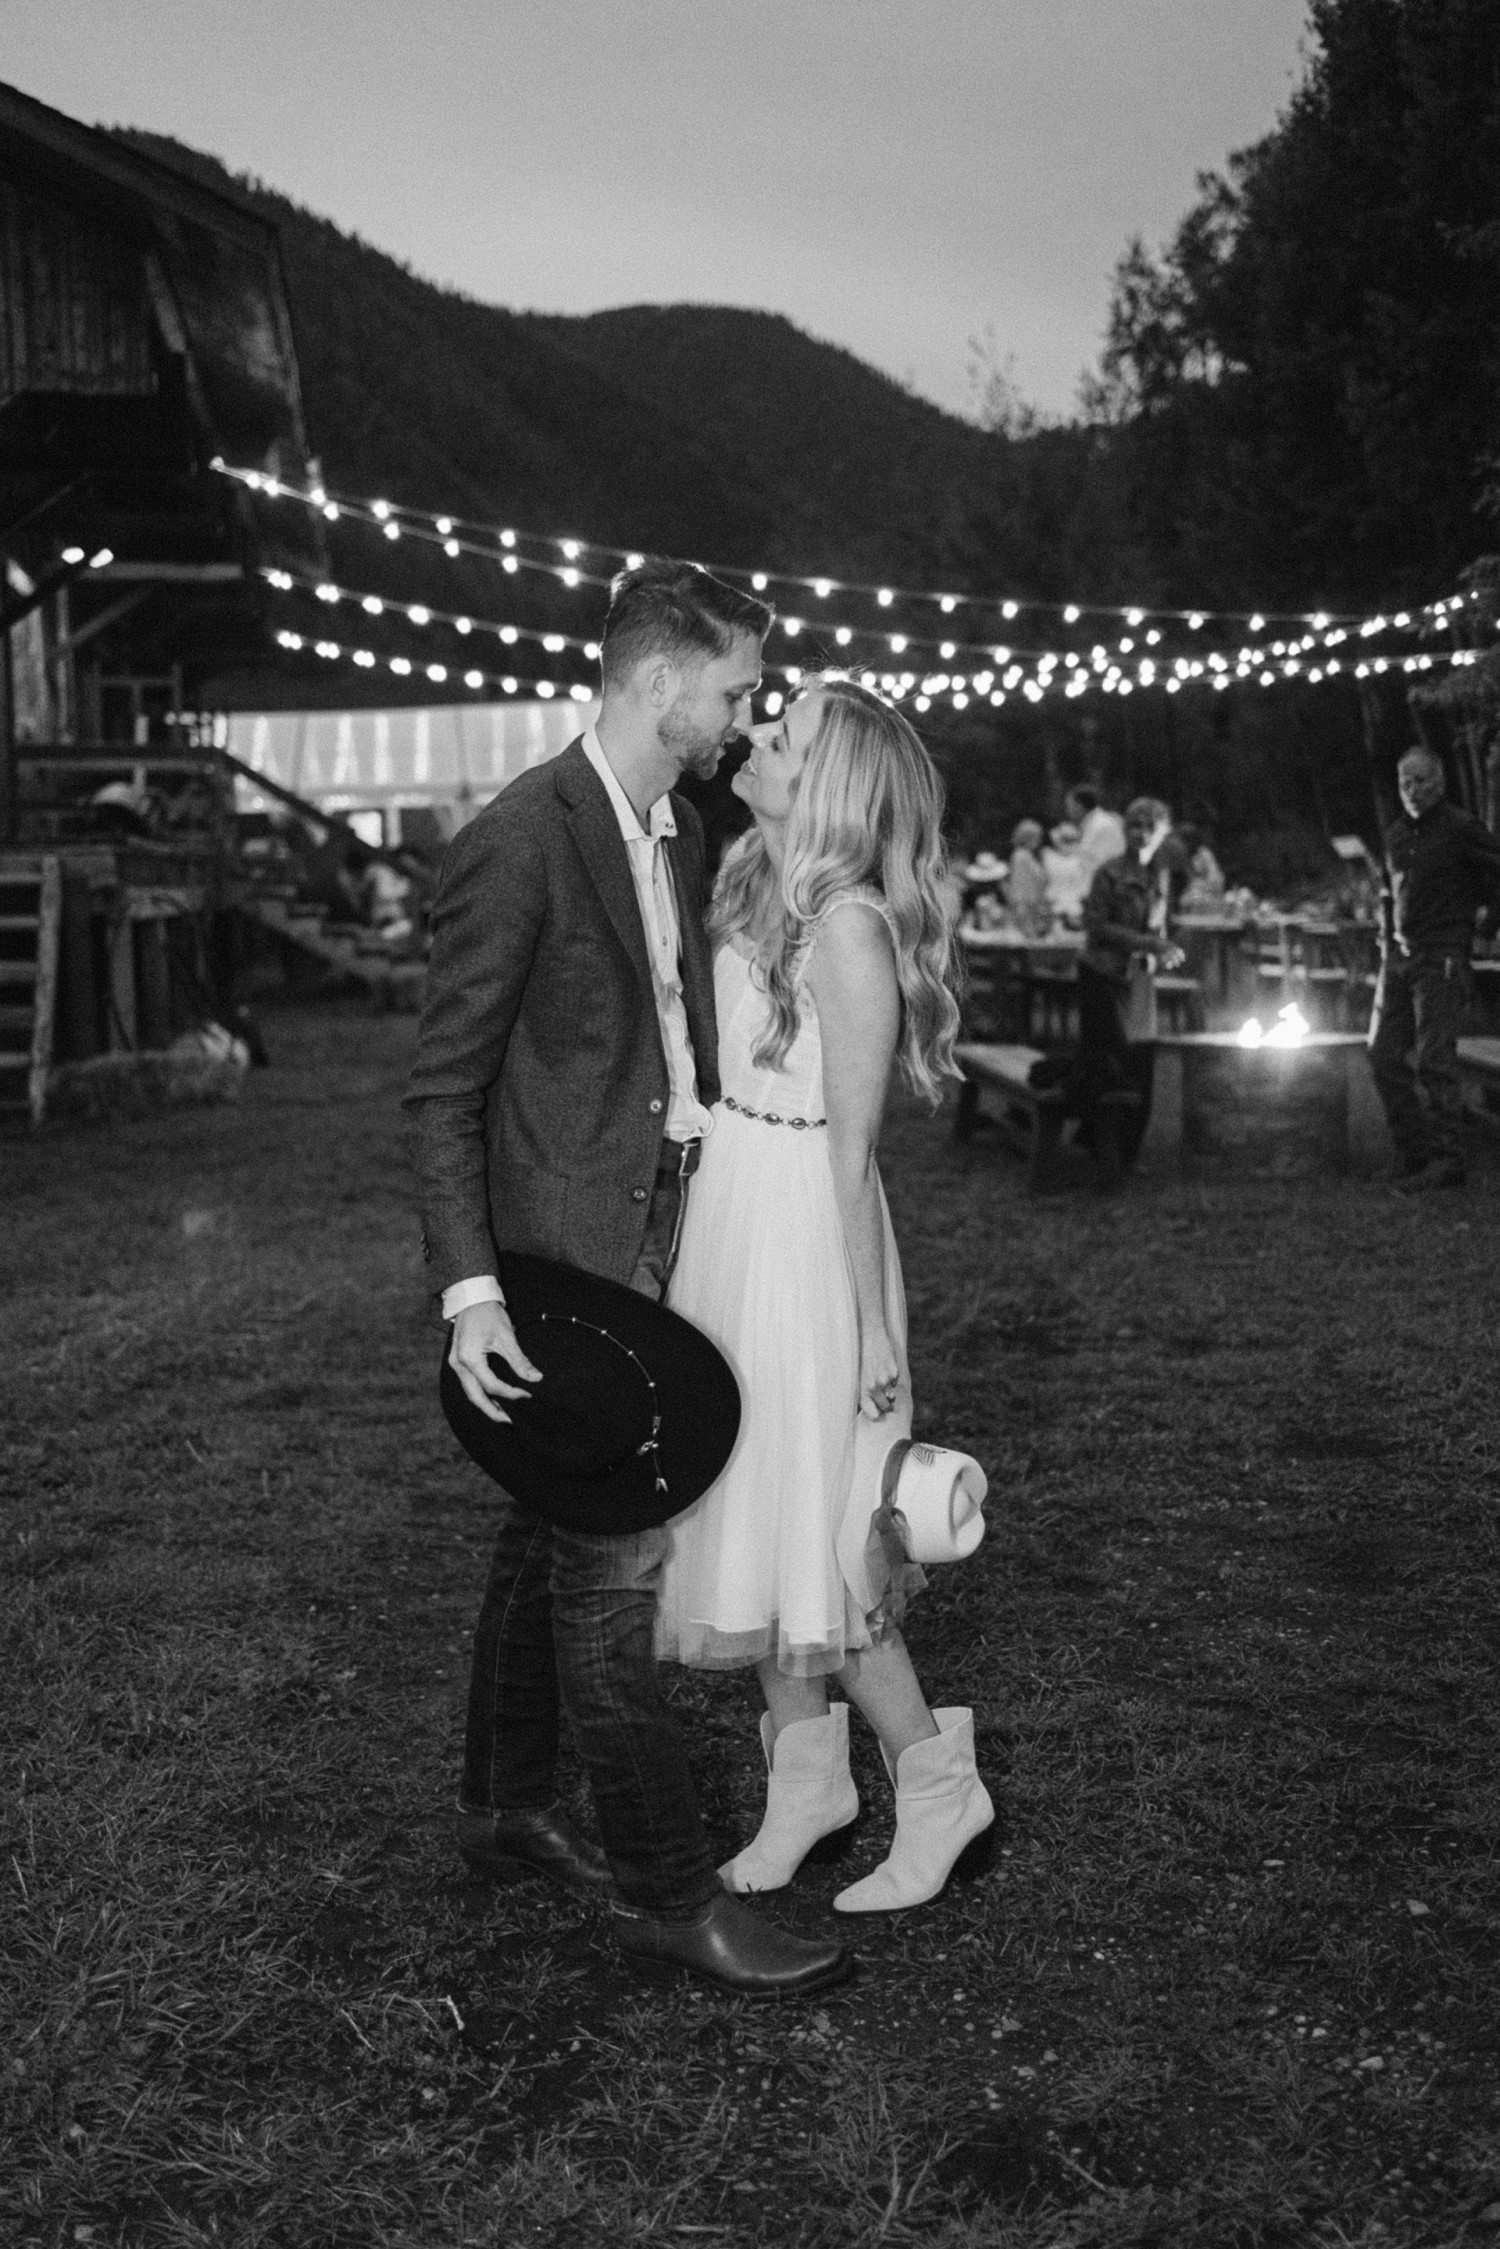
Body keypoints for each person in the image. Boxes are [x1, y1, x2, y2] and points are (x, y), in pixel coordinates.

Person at [405, 560, 849, 1998]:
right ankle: (670, 1888)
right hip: (557, 1266)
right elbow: (441, 1093)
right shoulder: (522, 838)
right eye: (729, 691)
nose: (739, 718)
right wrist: (472, 1296)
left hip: (666, 1245)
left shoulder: (677, 823)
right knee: (614, 1570)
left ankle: (503, 1805)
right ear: (662, 682)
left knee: (544, 1531)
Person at [655, 675, 995, 1913]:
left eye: (783, 740)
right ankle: (807, 1784)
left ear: (831, 789)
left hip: (808, 1254)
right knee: (750, 1512)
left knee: (827, 1545)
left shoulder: (849, 932)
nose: (753, 741)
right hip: (731, 1237)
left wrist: (869, 1342)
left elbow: (849, 1157)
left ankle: (937, 1781)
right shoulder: (753, 883)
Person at [1370, 745, 1500, 1191]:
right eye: (1406, 782)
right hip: (1400, 959)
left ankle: (1449, 1161)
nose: (1413, 791)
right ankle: (1415, 1152)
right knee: (1383, 1054)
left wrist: (1489, 921)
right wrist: (1387, 941)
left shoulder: (1461, 828)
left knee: (1434, 1060)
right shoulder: (1397, 835)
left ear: (1439, 781)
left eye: (1422, 781)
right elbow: (1390, 893)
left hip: (1442, 958)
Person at [1072, 796, 1185, 1165]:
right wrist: (1148, 942)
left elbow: (1157, 923)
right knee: (1108, 1064)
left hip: (1139, 979)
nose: (1140, 834)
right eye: (1134, 826)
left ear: (1162, 832)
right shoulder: (1109, 872)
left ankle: (1128, 1153)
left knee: (1141, 1062)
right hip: (1103, 974)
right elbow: (1097, 926)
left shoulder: (1162, 876)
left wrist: (1161, 951)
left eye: (1149, 827)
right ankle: (1097, 1150)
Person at [1065, 785, 1127, 886]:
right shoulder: (1094, 822)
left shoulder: (1101, 825)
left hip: (1109, 887)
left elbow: (1093, 865)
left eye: (1069, 806)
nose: (1067, 811)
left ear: (1079, 806)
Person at [1004, 819, 1051, 936]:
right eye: (1037, 837)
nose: (1039, 840)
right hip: (1025, 906)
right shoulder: (1020, 856)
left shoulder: (1026, 855)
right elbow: (1018, 884)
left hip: (1032, 905)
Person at [1042, 819, 1090, 923]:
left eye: (1070, 840)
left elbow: (1084, 882)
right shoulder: (1049, 857)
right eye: (1067, 840)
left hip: (1074, 902)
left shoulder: (1079, 859)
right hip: (1055, 901)